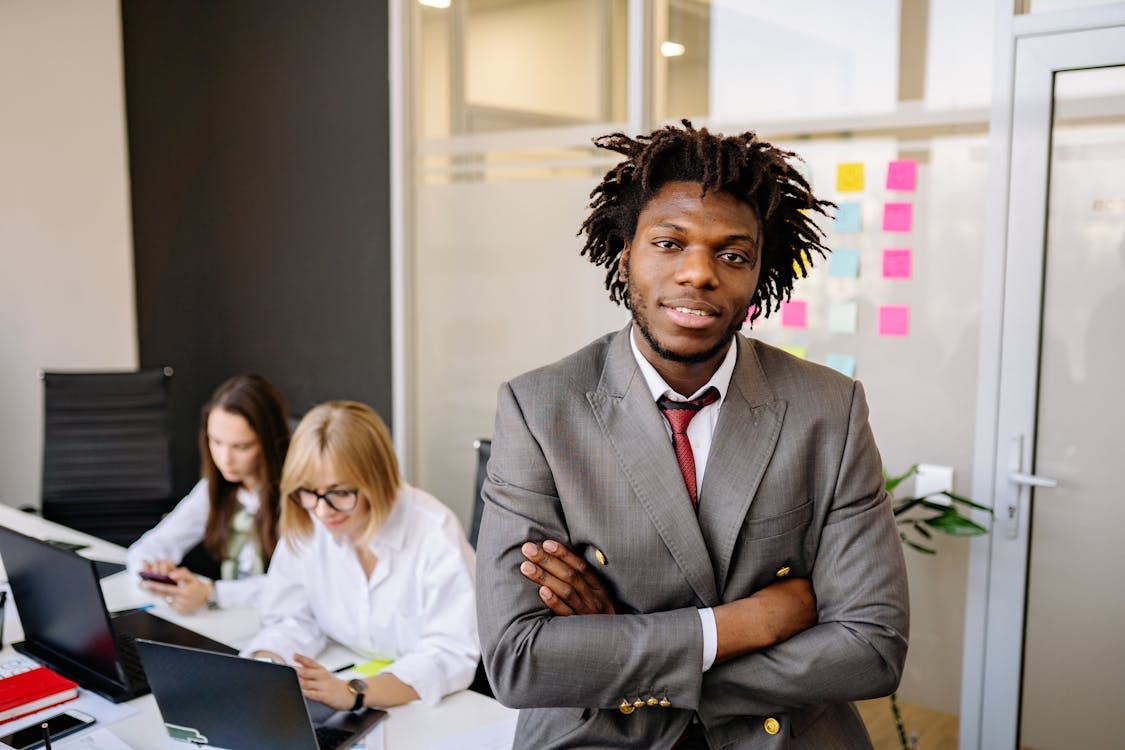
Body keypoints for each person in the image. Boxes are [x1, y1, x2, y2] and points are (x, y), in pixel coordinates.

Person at [475, 121, 910, 749]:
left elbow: (870, 648)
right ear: (626, 257)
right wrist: (746, 623)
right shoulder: (539, 409)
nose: (699, 274)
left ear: (759, 275)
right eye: (669, 243)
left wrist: (619, 651)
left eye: (732, 255)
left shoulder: (827, 407)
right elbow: (519, 659)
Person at [242, 401, 479, 710]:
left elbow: (450, 653)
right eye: (308, 492)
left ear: (378, 479)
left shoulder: (434, 530)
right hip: (343, 680)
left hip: (428, 708)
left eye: (340, 492)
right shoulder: (310, 518)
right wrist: (265, 665)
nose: (323, 511)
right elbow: (294, 620)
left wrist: (354, 692)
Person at [127, 373, 289, 613]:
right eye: (216, 442)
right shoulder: (214, 488)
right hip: (232, 620)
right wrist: (154, 571)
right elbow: (147, 548)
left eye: (241, 447)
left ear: (271, 441)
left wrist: (211, 593)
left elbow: (296, 587)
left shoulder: (300, 497)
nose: (225, 459)